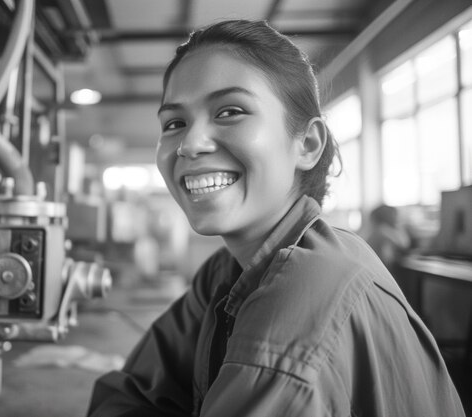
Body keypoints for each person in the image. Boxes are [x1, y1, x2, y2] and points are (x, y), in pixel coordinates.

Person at [86, 20, 465, 416]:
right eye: (174, 123)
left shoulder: (308, 297)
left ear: (308, 144)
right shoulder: (226, 273)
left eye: (230, 111)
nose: (189, 144)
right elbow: (128, 394)